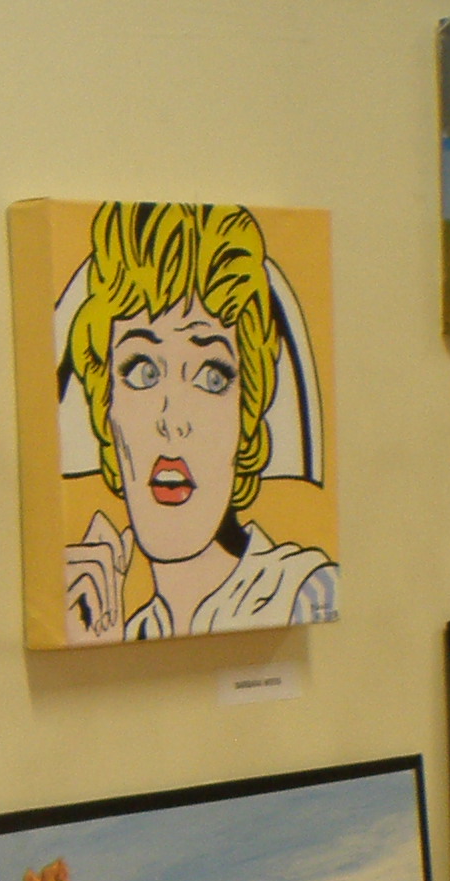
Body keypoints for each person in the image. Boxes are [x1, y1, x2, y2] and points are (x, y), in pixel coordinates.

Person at [57, 202, 338, 643]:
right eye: (143, 372)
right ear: (105, 406)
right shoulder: (136, 628)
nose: (173, 421)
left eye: (211, 377)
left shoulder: (305, 592)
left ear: (247, 412)